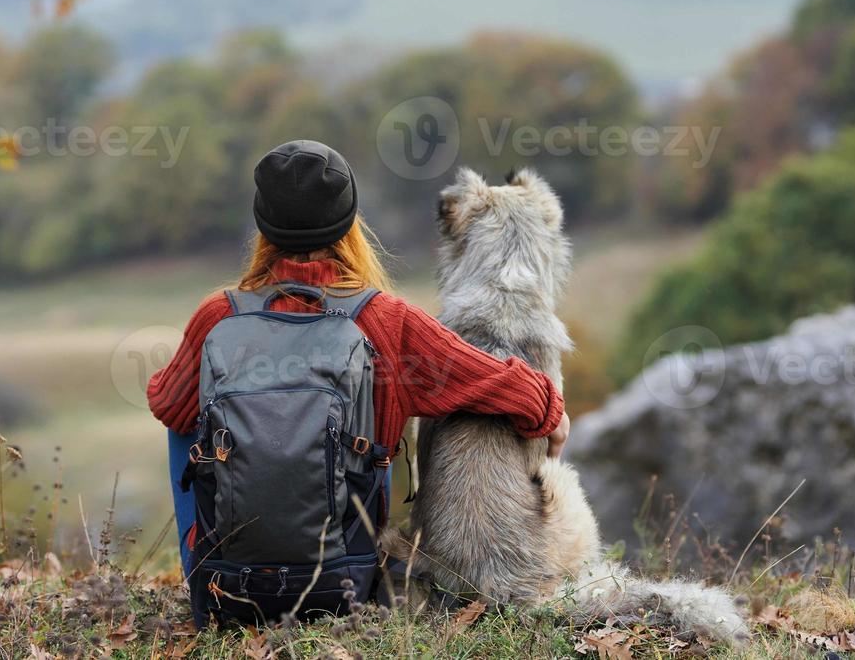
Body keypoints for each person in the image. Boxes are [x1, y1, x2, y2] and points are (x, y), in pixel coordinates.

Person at [146, 140, 568, 622]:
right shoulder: (389, 321)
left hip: (231, 592)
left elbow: (167, 403)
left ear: (263, 224)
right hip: (345, 589)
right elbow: (507, 385)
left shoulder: (217, 316)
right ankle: (360, 559)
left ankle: (202, 570)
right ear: (350, 222)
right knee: (370, 430)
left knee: (186, 420)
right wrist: (550, 412)